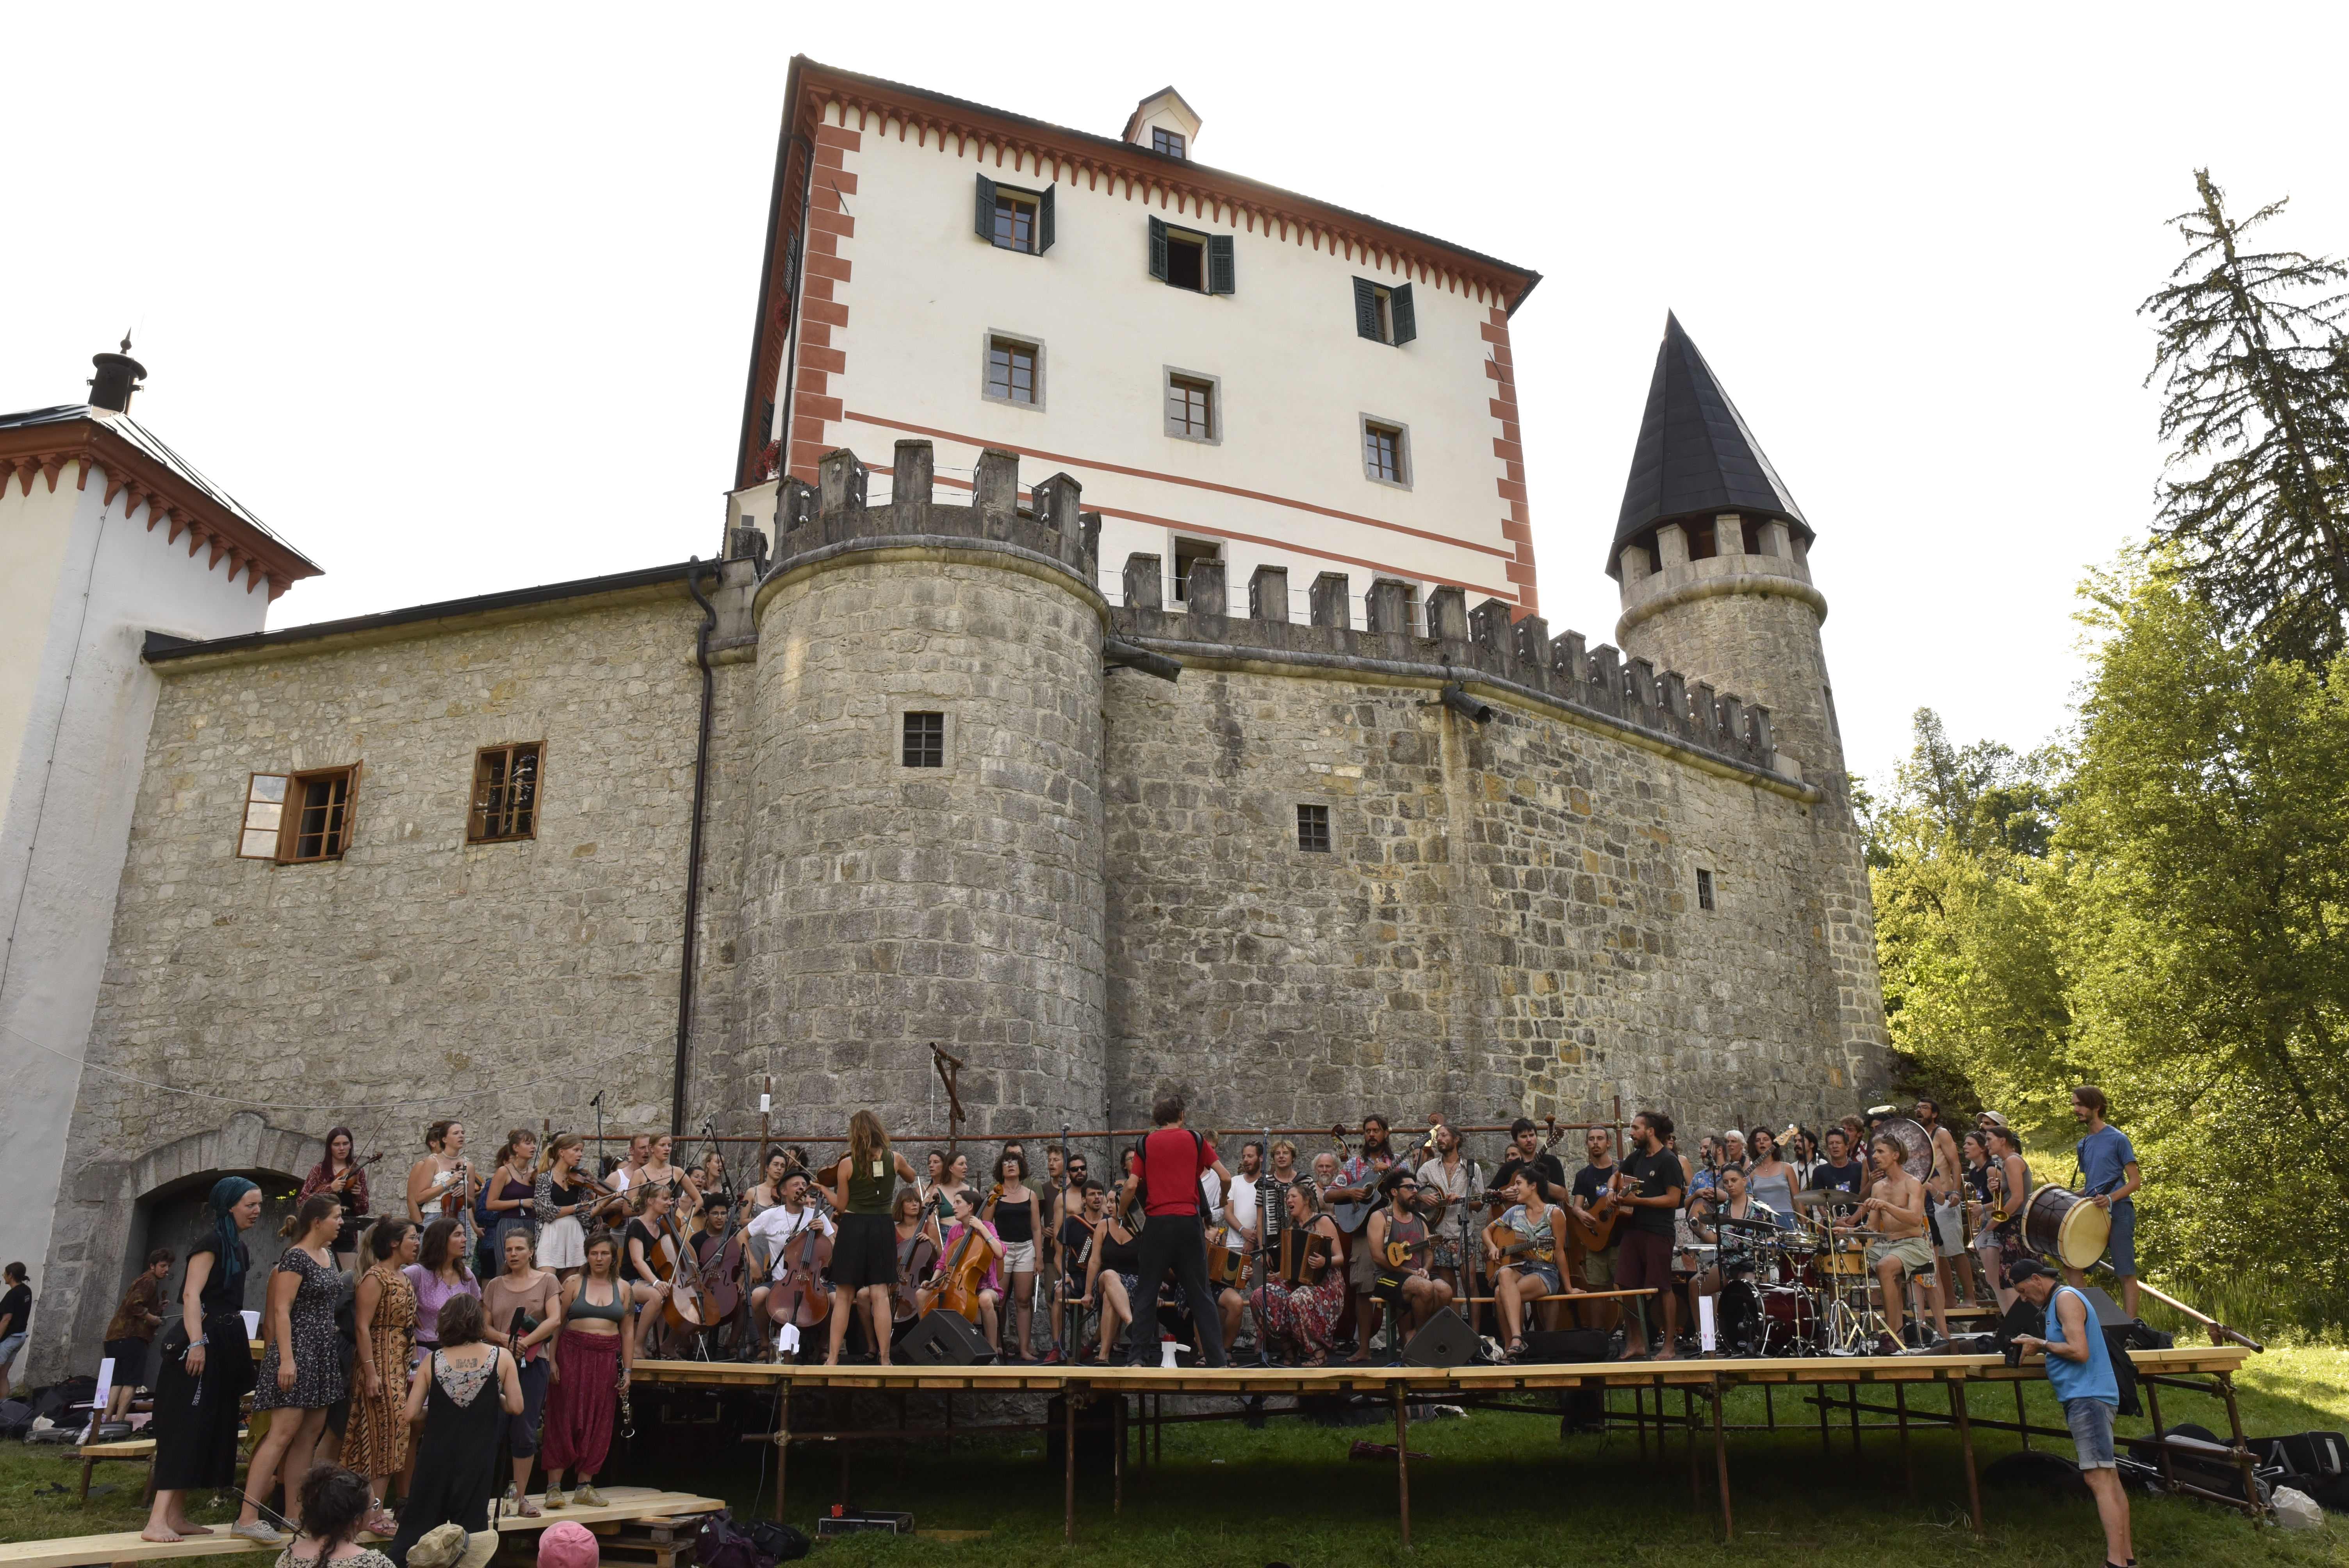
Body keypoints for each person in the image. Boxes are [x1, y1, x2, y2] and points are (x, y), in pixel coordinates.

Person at [143, 1178, 264, 1543]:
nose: (257, 1211)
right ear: (230, 1207)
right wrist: (197, 1343)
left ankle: (177, 1516)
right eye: (250, 1205)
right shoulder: (210, 1244)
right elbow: (192, 1295)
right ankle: (157, 1521)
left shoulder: (239, 1249)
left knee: (210, 1427)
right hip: (203, 1340)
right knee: (187, 1426)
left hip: (227, 1341)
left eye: (259, 1205)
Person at [236, 1195, 348, 1545]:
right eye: (337, 1217)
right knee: (282, 1433)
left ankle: (294, 1515)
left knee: (309, 1435)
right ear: (317, 1221)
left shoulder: (329, 1255)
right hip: (296, 1351)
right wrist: (286, 1359)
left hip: (322, 1352)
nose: (341, 1222)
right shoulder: (296, 1257)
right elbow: (281, 1311)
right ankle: (247, 1515)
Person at [2007, 1258, 2133, 1568]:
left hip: (2088, 1397)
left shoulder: (2065, 1298)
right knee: (2109, 1479)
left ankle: (2115, 1562)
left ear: (2037, 1279)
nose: (2024, 1298)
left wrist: (2042, 1344)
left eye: (2024, 1291)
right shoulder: (2057, 1302)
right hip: (2086, 1395)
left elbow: (2080, 1350)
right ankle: (2127, 1559)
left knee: (2098, 1480)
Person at [387, 1293, 523, 1568]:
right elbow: (516, 1407)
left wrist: (438, 1410)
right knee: (472, 1526)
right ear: (477, 1323)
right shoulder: (502, 1357)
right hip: (478, 1456)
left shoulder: (433, 1360)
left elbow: (411, 1414)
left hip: (436, 1456)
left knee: (420, 1522)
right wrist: (493, 1396)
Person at [1123, 1096, 1232, 1367]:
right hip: (1188, 1222)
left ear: (1156, 1120)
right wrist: (1222, 1199)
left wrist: (1119, 1211)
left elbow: (1131, 1187)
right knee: (1201, 1294)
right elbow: (1226, 1177)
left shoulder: (1144, 1143)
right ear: (1182, 1116)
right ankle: (1219, 1361)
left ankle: (1137, 1359)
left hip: (1158, 1223)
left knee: (1147, 1291)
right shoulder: (1196, 1139)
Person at [822, 1110, 922, 1365]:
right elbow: (912, 1177)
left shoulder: (847, 1164)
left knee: (844, 1294)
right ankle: (885, 1359)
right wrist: (894, 1164)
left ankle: (833, 1359)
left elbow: (842, 1207)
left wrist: (824, 1189)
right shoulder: (895, 1159)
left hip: (854, 1226)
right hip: (882, 1225)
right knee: (880, 1293)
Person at [542, 1231, 631, 1509]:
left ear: (614, 1257)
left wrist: (628, 1371)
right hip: (571, 1352)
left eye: (605, 1254)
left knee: (599, 1417)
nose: (599, 1259)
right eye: (594, 1254)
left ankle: (585, 1484)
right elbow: (556, 1323)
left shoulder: (624, 1288)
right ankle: (554, 1487)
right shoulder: (573, 1283)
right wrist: (552, 1360)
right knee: (564, 1415)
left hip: (606, 1357)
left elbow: (628, 1333)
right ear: (587, 1256)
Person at [345, 1219, 420, 1537]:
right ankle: (373, 1514)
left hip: (399, 1365)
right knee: (382, 1437)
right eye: (412, 1238)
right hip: (378, 1364)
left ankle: (370, 1510)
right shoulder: (375, 1278)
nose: (417, 1243)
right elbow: (362, 1326)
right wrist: (371, 1372)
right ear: (393, 1243)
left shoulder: (403, 1277)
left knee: (395, 1437)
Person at [482, 1229, 561, 1517]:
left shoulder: (547, 1281)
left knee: (525, 1430)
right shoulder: (495, 1285)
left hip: (533, 1364)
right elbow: (484, 1326)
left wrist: (526, 1343)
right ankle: (484, 1500)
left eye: (519, 1249)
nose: (513, 1254)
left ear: (531, 1252)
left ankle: (521, 1497)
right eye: (509, 1249)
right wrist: (507, 1341)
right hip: (498, 1362)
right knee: (493, 1429)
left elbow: (555, 1319)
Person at [1841, 1131, 1940, 1351]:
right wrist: (1847, 1231)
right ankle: (1847, 1331)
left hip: (1913, 1244)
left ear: (1896, 1155)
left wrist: (1886, 1206)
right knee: (1849, 1265)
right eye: (1874, 1152)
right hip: (1885, 1246)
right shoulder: (1878, 1187)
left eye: (1880, 1151)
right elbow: (1872, 1229)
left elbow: (1915, 1219)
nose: (1874, 1156)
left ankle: (1893, 1336)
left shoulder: (1913, 1184)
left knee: (1885, 1267)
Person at [1610, 1110, 1684, 1361]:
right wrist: (1612, 1190)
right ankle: (1637, 1343)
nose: (1630, 1133)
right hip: (1634, 1230)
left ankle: (1669, 1346)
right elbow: (1618, 1174)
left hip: (1659, 1232)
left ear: (1650, 1131)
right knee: (1626, 1285)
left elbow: (1674, 1199)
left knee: (1662, 1287)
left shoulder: (1669, 1160)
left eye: (1635, 1128)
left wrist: (1639, 1201)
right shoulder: (1638, 1156)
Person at [1354, 1170, 1452, 1359]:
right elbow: (1378, 1257)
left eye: (1416, 1187)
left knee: (1445, 1290)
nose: (1415, 1191)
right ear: (1394, 1192)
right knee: (1424, 1288)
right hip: (1387, 1278)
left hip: (1416, 1275)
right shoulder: (1380, 1217)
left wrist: (1425, 1269)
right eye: (1409, 1187)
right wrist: (1410, 1272)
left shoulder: (1421, 1219)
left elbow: (1429, 1252)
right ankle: (1419, 1339)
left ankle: (1414, 1334)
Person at [1327, 1115, 1399, 1351]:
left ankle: (1404, 1344)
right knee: (1363, 1287)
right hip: (1363, 1233)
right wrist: (1351, 1193)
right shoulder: (1353, 1165)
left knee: (1401, 1284)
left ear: (1386, 1134)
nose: (1371, 1135)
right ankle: (1364, 1348)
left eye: (1376, 1130)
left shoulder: (1398, 1163)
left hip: (1395, 1231)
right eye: (1367, 1131)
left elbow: (1413, 1189)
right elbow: (1329, 1194)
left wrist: (1390, 1172)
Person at [2069, 1085, 2142, 1317]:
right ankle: (2093, 1320)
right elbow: (2093, 1184)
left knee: (2126, 1272)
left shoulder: (2118, 1139)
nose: (2076, 1110)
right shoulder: (2083, 1144)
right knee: (2073, 1266)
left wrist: (2110, 1198)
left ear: (2096, 1107)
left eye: (2080, 1105)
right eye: (2074, 1105)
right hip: (2093, 1213)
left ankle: (2131, 1327)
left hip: (2119, 1211)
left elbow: (2135, 1182)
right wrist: (2070, 1196)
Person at [1256, 1182, 1347, 1365]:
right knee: (1261, 1295)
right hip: (1299, 1285)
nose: (1289, 1200)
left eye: (1293, 1197)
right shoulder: (1291, 1230)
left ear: (1306, 1201)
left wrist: (1324, 1262)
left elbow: (1340, 1258)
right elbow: (1292, 1270)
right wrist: (1278, 1276)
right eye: (1288, 1198)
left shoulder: (1323, 1221)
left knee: (1296, 1299)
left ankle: (1319, 1353)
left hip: (1326, 1285)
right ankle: (1289, 1350)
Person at [1488, 1168, 1570, 1360]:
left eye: (1518, 1184)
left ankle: (1512, 1344)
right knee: (1504, 1274)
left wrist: (1568, 1287)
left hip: (1545, 1272)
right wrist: (1493, 1247)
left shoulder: (1554, 1213)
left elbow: (1559, 1252)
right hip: (1520, 1269)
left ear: (1533, 1187)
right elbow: (1487, 1231)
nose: (1514, 1188)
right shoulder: (1514, 1212)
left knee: (1501, 1293)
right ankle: (1515, 1343)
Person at [746, 1170, 835, 1346]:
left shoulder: (817, 1216)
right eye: (796, 1185)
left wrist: (822, 1235)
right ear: (783, 1191)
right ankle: (765, 1344)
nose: (802, 1188)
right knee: (757, 1296)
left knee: (836, 1300)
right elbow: (741, 1237)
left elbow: (832, 1248)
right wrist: (754, 1264)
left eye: (804, 1185)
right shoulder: (771, 1216)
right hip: (782, 1282)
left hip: (814, 1281)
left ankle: (824, 1347)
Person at [1686, 1165, 1777, 1327]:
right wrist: (1699, 1228)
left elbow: (1772, 1239)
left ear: (1744, 1181)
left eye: (1734, 1181)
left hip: (1753, 1264)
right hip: (1728, 1263)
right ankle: (1707, 1335)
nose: (1730, 1185)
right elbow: (1716, 1239)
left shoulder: (1761, 1209)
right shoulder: (1721, 1211)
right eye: (1726, 1182)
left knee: (1745, 1290)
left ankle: (1749, 1334)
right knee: (1696, 1285)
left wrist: (1767, 1247)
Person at [274, 1463, 397, 1568]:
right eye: (373, 1506)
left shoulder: (287, 1558)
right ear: (357, 1519)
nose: (374, 1511)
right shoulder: (374, 1563)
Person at [986, 1151, 1044, 1360]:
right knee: (998, 1299)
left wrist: (1039, 1258)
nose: (1011, 1165)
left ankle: (1024, 1349)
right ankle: (994, 1346)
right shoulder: (995, 1193)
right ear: (1000, 1169)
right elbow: (986, 1225)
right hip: (1002, 1251)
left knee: (1023, 1301)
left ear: (1021, 1167)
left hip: (1026, 1249)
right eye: (1006, 1162)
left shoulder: (1031, 1195)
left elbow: (1037, 1229)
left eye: (1015, 1162)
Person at [103, 1249, 173, 1418]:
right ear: (152, 1266)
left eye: (168, 1266)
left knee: (118, 1381)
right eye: (163, 1266)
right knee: (132, 1382)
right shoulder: (148, 1281)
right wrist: (152, 1318)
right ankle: (119, 1420)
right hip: (132, 1338)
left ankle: (105, 1420)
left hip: (115, 1338)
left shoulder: (144, 1280)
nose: (167, 1270)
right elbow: (133, 1305)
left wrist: (157, 1309)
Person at [1077, 1181, 1141, 1364]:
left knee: (1109, 1298)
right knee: (1109, 1274)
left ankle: (1103, 1355)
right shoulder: (1103, 1226)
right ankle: (1131, 1322)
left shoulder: (1141, 1228)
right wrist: (1088, 1292)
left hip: (1133, 1282)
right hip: (1106, 1280)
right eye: (1110, 1201)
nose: (1110, 1206)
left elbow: (1149, 1261)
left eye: (1115, 1202)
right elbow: (1095, 1260)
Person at [1567, 1127, 1624, 1333]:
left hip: (1621, 1239)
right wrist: (1580, 1213)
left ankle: (1633, 1338)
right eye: (1591, 1139)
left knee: (1626, 1288)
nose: (1596, 1143)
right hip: (1596, 1240)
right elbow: (1576, 1206)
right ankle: (1598, 1339)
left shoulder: (1622, 1169)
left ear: (1609, 1143)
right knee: (1596, 1290)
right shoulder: (1583, 1175)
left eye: (1600, 1139)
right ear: (1587, 1144)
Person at [1413, 1123, 1475, 1307]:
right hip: (1439, 1235)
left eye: (1444, 1135)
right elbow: (1412, 1194)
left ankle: (1476, 1333)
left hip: (1464, 1234)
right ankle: (1455, 1334)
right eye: (1438, 1136)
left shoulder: (1472, 1169)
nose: (1439, 1139)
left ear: (1456, 1140)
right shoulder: (1427, 1169)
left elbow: (1480, 1204)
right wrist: (1423, 1199)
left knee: (1471, 1285)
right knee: (1449, 1288)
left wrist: (1463, 1199)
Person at [620, 1186, 681, 1359]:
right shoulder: (637, 1227)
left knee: (670, 1294)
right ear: (650, 1201)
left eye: (670, 1199)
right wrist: (656, 1282)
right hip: (631, 1281)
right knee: (657, 1295)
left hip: (649, 1281)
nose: (669, 1203)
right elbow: (637, 1261)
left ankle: (661, 1345)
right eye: (665, 1199)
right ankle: (637, 1347)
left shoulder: (661, 1229)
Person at [300, 1128, 373, 1270]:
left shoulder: (358, 1171)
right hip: (321, 1226)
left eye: (345, 1144)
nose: (342, 1148)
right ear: (330, 1147)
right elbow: (302, 1201)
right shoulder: (319, 1170)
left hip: (347, 1228)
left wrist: (359, 1196)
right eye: (337, 1145)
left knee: (349, 1275)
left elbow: (363, 1209)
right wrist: (330, 1188)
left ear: (351, 1145)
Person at [405, 1218, 480, 1354]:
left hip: (462, 1353)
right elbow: (391, 1295)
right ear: (441, 1240)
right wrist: (408, 1313)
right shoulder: (418, 1273)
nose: (465, 1240)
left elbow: (478, 1309)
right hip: (426, 1352)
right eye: (457, 1235)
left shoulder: (466, 1275)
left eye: (463, 1234)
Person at [1981, 1126, 2032, 1312]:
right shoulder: (2007, 1163)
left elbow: (2019, 1198)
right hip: (2012, 1225)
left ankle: (2019, 1325)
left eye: (1989, 1140)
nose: (1986, 1145)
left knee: (2012, 1278)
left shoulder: (2012, 1161)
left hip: (2015, 1226)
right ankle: (2012, 1322)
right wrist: (1996, 1190)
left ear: (2003, 1140)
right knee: (2002, 1277)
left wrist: (1996, 1221)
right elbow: (2011, 1195)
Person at [533, 1135, 595, 1281]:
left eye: (581, 1151)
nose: (580, 1154)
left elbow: (585, 1218)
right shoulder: (544, 1178)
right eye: (576, 1150)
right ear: (561, 1152)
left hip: (574, 1233)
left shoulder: (579, 1180)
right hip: (551, 1232)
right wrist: (577, 1207)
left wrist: (606, 1202)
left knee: (572, 1284)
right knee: (546, 1281)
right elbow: (548, 1212)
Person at [406, 1121, 475, 1230]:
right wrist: (448, 1183)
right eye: (456, 1133)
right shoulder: (432, 1161)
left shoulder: (469, 1165)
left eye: (463, 1133)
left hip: (461, 1217)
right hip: (435, 1217)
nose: (461, 1136)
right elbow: (419, 1198)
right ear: (444, 1140)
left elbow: (471, 1203)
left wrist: (464, 1196)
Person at [482, 1131, 539, 1260]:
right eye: (528, 1143)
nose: (533, 1147)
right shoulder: (504, 1171)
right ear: (516, 1148)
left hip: (531, 1225)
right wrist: (520, 1202)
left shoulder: (536, 1173)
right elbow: (491, 1204)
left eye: (534, 1144)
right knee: (507, 1267)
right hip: (509, 1225)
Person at [1745, 1126, 1798, 1232]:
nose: (1762, 1143)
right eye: (1758, 1141)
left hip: (1787, 1217)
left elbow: (1797, 1198)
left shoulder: (1787, 1168)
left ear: (1773, 1143)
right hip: (1763, 1219)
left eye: (1766, 1140)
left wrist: (1804, 1225)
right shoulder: (1751, 1172)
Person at [1811, 1127, 1866, 1196]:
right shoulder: (1819, 1171)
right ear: (1828, 1148)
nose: (1835, 1146)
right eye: (1831, 1143)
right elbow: (1820, 1201)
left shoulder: (1859, 1168)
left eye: (1838, 1143)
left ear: (1847, 1147)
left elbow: (1864, 1197)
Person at [742, 1149, 793, 1223]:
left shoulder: (787, 1192)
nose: (779, 1168)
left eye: (783, 1166)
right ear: (767, 1168)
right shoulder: (752, 1192)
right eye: (776, 1165)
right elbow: (743, 1222)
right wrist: (764, 1221)